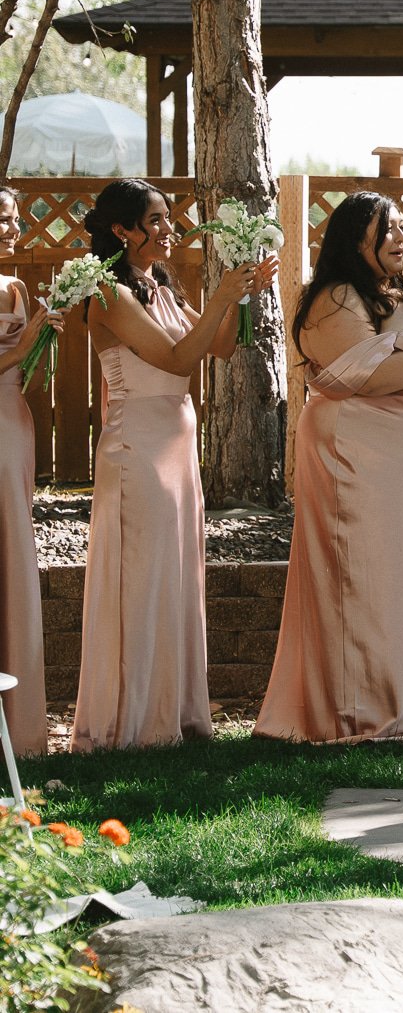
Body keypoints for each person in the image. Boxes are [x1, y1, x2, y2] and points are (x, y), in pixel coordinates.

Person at [255, 193, 403, 744]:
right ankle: (361, 712)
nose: (401, 240)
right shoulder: (335, 298)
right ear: (354, 240)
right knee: (366, 579)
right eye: (388, 232)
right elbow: (365, 377)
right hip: (359, 457)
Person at [74, 179, 274, 752]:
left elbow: (221, 346)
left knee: (176, 575)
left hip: (177, 450)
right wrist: (217, 300)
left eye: (168, 219)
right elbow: (177, 359)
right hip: (138, 448)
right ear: (122, 230)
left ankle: (175, 712)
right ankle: (134, 721)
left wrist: (236, 297)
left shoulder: (160, 288)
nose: (169, 229)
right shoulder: (109, 296)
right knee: (143, 578)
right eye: (157, 220)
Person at [0, 188, 59, 757]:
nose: (9, 228)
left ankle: (15, 728)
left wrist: (42, 339)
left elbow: (26, 379)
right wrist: (21, 349)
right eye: (0, 219)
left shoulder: (16, 288)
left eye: (13, 219)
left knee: (13, 554)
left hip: (13, 426)